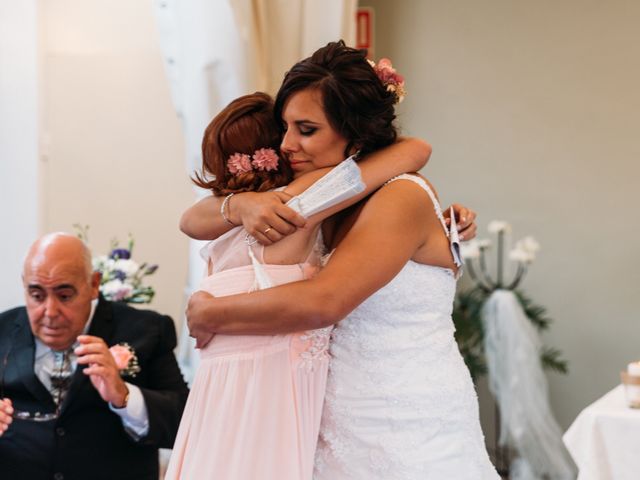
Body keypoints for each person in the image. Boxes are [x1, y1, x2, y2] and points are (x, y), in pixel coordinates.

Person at [185, 41, 498, 479]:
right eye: (285, 127)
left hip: (405, 427)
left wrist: (211, 312)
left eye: (307, 130)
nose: (286, 144)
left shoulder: (400, 197)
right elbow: (194, 216)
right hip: (327, 423)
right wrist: (238, 206)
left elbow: (325, 301)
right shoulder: (329, 197)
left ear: (356, 135)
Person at [166, 91, 431, 480]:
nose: (293, 143)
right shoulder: (298, 202)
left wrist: (236, 204)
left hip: (220, 390)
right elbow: (415, 150)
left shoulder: (227, 222)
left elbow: (188, 220)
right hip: (266, 387)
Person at [0, 233, 189, 480]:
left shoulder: (147, 330)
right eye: (37, 295)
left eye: (64, 295)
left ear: (93, 285)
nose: (49, 311)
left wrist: (124, 396)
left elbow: (186, 425)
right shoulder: (3, 330)